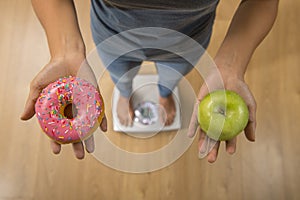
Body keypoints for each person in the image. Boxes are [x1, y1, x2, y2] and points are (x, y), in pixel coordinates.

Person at [21, 0, 278, 162]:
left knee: (172, 76)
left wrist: (232, 64)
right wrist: (65, 49)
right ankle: (125, 93)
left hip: (187, 42)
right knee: (121, 76)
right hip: (114, 37)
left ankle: (165, 94)